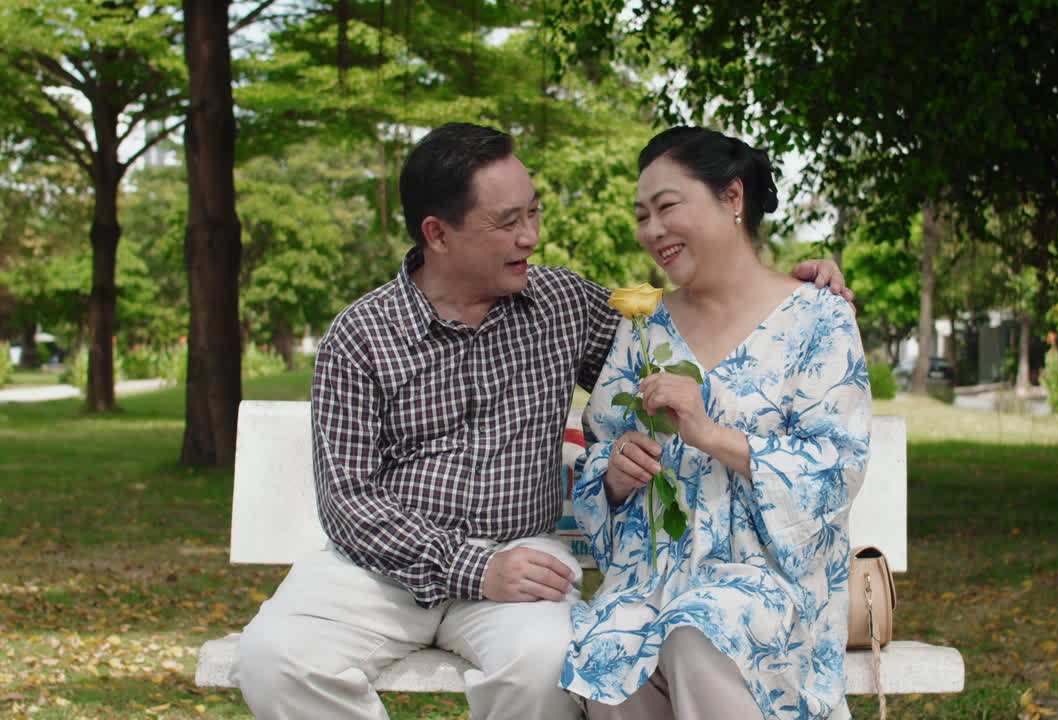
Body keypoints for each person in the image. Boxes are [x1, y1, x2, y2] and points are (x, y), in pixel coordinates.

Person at [230, 122, 853, 720]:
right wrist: (473, 568)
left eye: (534, 213)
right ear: (437, 234)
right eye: (507, 222)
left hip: (522, 555)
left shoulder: (561, 304)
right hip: (380, 568)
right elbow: (349, 503)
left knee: (550, 667)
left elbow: (690, 339)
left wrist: (800, 285)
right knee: (274, 659)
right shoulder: (360, 336)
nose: (530, 236)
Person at [560, 127, 870, 720]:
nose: (652, 231)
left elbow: (837, 470)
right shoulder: (646, 326)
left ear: (732, 199)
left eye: (668, 207)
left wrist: (710, 434)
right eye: (642, 215)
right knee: (613, 652)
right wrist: (615, 474)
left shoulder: (818, 318)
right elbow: (602, 448)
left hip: (769, 588)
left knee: (699, 632)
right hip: (651, 581)